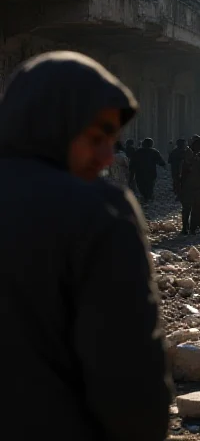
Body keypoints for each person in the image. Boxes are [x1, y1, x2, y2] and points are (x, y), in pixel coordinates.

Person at [0, 51, 171, 441]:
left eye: (112, 140)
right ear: (52, 127)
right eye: (96, 138)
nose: (108, 156)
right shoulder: (98, 212)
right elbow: (128, 376)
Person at [179, 135, 200, 235]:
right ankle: (186, 227)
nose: (198, 146)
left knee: (196, 207)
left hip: (197, 186)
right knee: (188, 208)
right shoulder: (187, 155)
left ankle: (193, 227)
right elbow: (183, 171)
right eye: (196, 144)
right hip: (188, 186)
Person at [130, 137, 166, 203]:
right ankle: (148, 196)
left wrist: (131, 170)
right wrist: (163, 165)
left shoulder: (138, 152)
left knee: (141, 185)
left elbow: (133, 162)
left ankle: (145, 196)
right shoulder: (154, 152)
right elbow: (160, 161)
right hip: (151, 172)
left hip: (140, 172)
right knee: (149, 185)